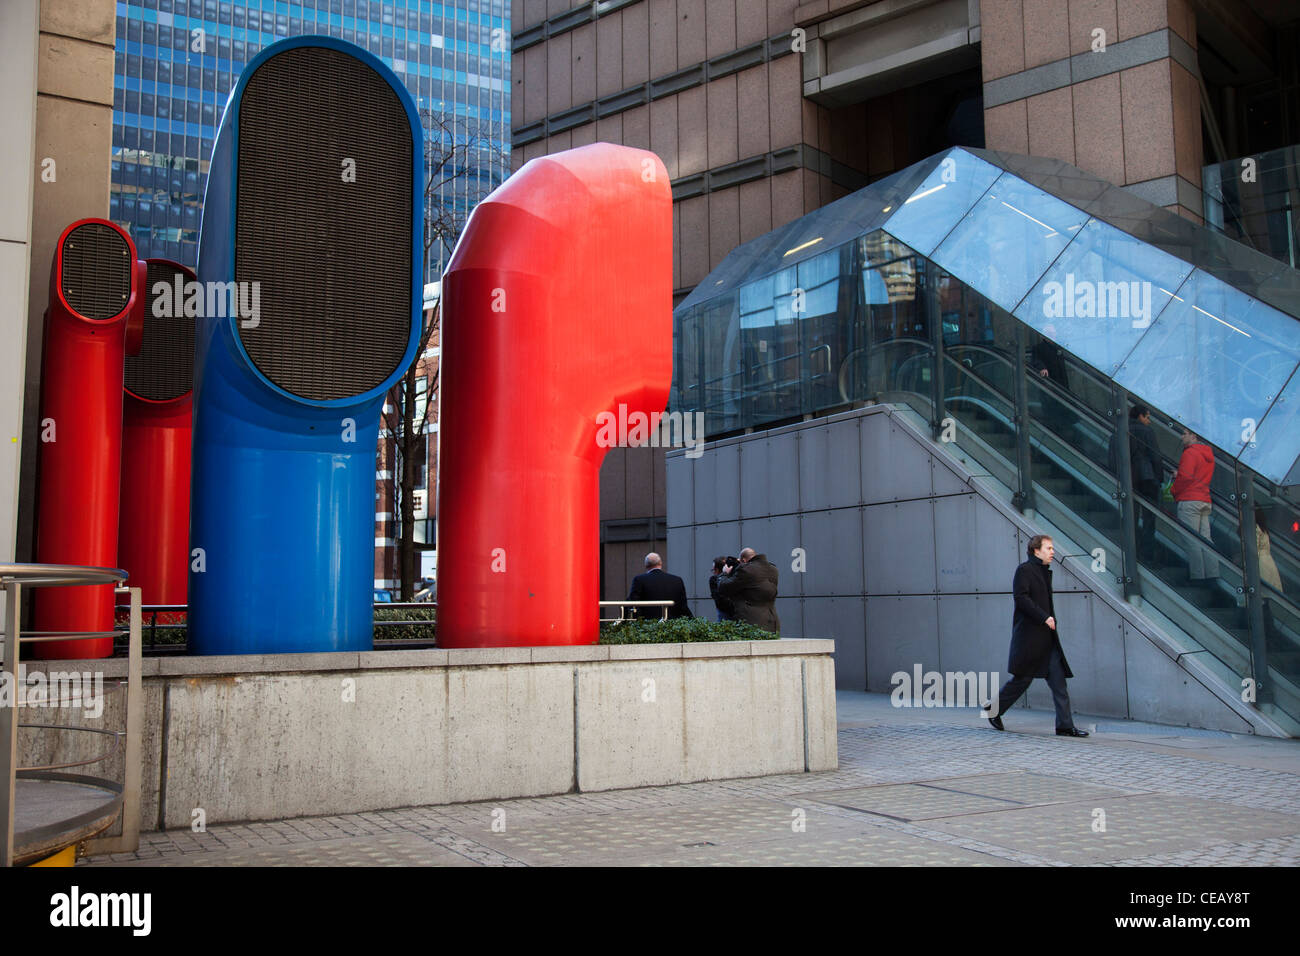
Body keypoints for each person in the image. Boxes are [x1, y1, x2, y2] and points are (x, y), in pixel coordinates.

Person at [985, 534, 1088, 736]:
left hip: (1047, 640)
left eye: (1052, 548)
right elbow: (1021, 599)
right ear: (1036, 550)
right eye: (1048, 548)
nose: (1052, 552)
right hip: (1030, 639)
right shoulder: (1024, 570)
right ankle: (993, 710)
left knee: (1059, 683)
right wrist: (1044, 618)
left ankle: (1065, 726)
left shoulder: (1044, 572)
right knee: (1022, 680)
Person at [1171, 428, 1216, 580]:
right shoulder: (1207, 454)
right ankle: (1212, 574)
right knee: (1206, 539)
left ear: (1194, 435)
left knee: (1191, 541)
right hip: (1204, 499)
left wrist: (1173, 490)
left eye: (1184, 433)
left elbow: (1186, 477)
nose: (1181, 436)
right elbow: (1196, 474)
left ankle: (1197, 576)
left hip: (1189, 499)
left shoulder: (1190, 453)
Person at [716, 548, 780, 634]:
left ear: (744, 560)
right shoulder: (773, 569)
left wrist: (724, 573)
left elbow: (724, 588)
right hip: (772, 621)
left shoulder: (746, 569)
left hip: (751, 622)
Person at [1128, 405, 1163, 561]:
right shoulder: (1147, 431)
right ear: (1140, 417)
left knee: (1130, 517)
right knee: (1149, 518)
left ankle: (1132, 552)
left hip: (1129, 480)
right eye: (1147, 417)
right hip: (1147, 479)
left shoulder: (1120, 431)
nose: (1149, 421)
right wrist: (1159, 478)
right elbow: (1155, 456)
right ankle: (1147, 554)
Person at [627, 552, 692, 620]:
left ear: (646, 565)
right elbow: (683, 606)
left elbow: (633, 604)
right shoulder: (677, 580)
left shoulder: (639, 580)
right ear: (660, 563)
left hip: (648, 625)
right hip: (672, 625)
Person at [709, 556, 737, 622]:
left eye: (714, 569)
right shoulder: (735, 577)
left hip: (725, 615)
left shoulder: (714, 580)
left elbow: (720, 600)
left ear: (717, 569)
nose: (713, 572)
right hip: (737, 613)